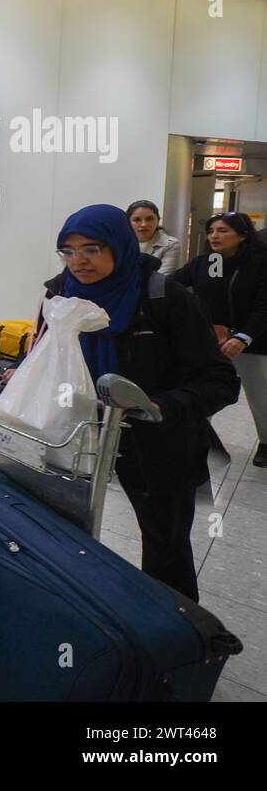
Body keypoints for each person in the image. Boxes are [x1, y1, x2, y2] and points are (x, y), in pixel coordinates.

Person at [26, 205, 239, 602]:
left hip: (159, 444)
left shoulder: (163, 298)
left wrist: (159, 405)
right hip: (77, 436)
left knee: (165, 545)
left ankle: (176, 633)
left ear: (119, 246)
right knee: (61, 531)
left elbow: (221, 380)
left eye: (91, 249)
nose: (78, 262)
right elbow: (43, 353)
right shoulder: (59, 293)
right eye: (68, 251)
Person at [172, 212, 267, 467]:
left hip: (253, 341)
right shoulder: (205, 263)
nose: (215, 235)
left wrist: (243, 337)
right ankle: (197, 440)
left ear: (243, 235)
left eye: (223, 231)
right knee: (203, 390)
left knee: (260, 395)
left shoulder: (259, 263)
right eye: (212, 230)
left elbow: (263, 306)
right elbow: (172, 286)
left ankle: (266, 441)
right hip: (214, 341)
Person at [127, 199, 181, 275]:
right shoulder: (119, 242)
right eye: (137, 219)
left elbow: (162, 278)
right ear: (127, 222)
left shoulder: (170, 244)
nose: (144, 224)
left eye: (149, 219)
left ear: (158, 221)